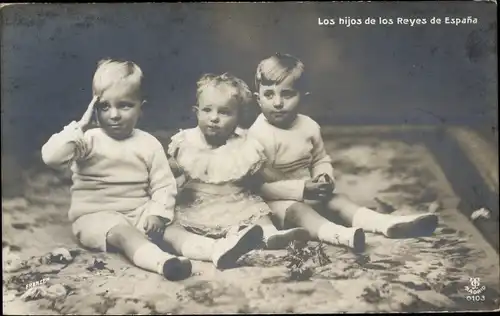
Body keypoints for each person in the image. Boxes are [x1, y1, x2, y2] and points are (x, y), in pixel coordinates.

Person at [248, 53, 439, 252]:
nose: (277, 102)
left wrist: (323, 176)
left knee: (339, 200)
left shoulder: (309, 126)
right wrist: (301, 189)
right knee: (300, 212)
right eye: (269, 94)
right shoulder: (258, 135)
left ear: (303, 97)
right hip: (275, 204)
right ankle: (338, 235)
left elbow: (320, 159)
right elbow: (258, 187)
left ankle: (384, 223)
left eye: (287, 94)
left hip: (310, 191)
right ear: (258, 99)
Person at [41, 59, 192, 280]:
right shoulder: (87, 140)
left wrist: (157, 214)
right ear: (93, 108)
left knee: (173, 230)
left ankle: (213, 250)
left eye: (124, 105)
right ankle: (163, 263)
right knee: (124, 234)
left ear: (142, 107)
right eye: (104, 106)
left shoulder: (148, 143)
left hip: (138, 211)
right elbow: (50, 158)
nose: (114, 115)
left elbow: (163, 184)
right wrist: (80, 126)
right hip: (95, 217)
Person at [162, 73, 310, 269]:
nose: (214, 118)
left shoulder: (245, 143)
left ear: (238, 117)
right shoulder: (184, 142)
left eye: (224, 112)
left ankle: (270, 235)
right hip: (196, 206)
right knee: (171, 233)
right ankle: (214, 250)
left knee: (258, 213)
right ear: (196, 112)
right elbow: (165, 173)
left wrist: (299, 185)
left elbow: (266, 173)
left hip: (237, 203)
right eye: (207, 110)